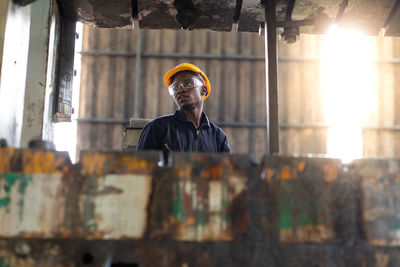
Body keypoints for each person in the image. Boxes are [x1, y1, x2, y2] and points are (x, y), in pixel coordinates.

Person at [137, 63, 230, 153]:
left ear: (203, 90)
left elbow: (226, 168)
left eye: (188, 84)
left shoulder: (218, 136)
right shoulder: (157, 128)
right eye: (175, 87)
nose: (181, 90)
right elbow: (140, 167)